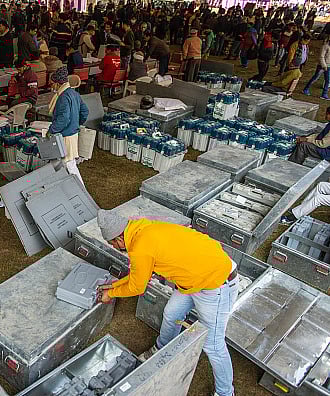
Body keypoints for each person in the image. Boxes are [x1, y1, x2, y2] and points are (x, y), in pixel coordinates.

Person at [95, 209, 238, 396]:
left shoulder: (140, 247)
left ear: (118, 240)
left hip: (216, 283)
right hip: (192, 279)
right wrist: (113, 285)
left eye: (112, 244)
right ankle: (161, 349)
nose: (114, 248)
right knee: (171, 313)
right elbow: (139, 275)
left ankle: (226, 393)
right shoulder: (142, 228)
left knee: (213, 345)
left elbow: (138, 287)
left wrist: (111, 294)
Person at [48, 66, 89, 186]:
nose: (51, 86)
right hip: (73, 134)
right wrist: (76, 123)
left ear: (57, 83)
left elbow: (63, 118)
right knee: (65, 163)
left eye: (52, 84)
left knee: (69, 164)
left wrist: (52, 130)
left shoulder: (63, 97)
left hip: (65, 136)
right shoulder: (74, 93)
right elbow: (84, 111)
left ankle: (80, 189)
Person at [303, 34, 330, 99]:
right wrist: (324, 65)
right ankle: (306, 89)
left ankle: (324, 94)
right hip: (322, 66)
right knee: (315, 78)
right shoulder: (325, 46)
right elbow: (321, 56)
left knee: (327, 80)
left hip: (328, 65)